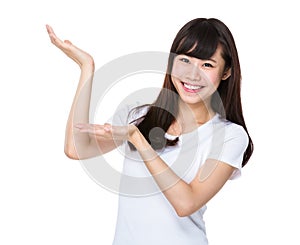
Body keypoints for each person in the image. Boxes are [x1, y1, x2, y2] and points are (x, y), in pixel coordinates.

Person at [46, 18, 253, 245]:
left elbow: (186, 203)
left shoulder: (230, 136)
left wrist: (138, 139)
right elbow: (75, 148)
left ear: (226, 72)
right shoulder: (137, 116)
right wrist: (86, 68)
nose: (193, 75)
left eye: (207, 65)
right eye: (184, 60)